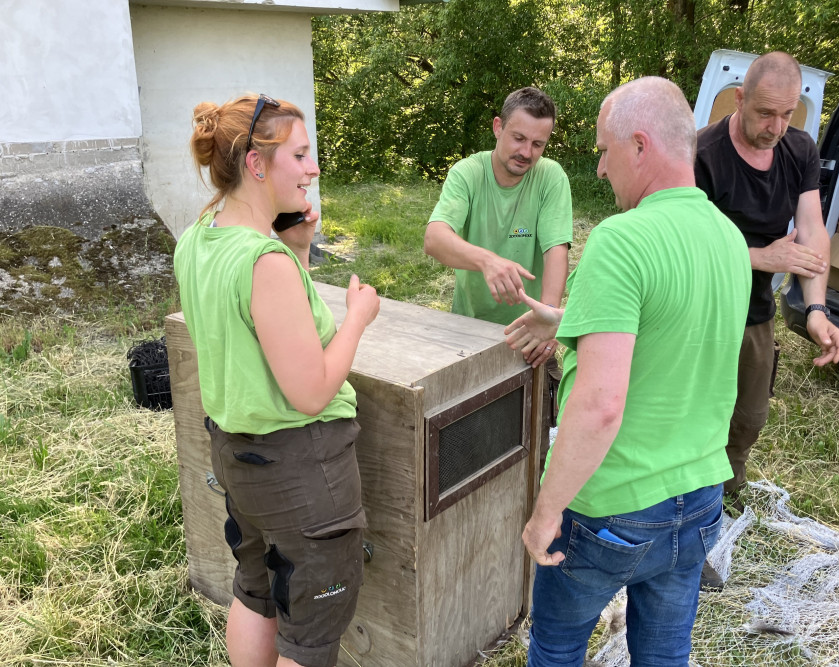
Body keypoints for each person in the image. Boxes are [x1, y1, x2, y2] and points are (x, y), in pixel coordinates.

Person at [510, 76, 751, 666]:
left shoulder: (621, 240)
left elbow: (599, 406)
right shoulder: (729, 238)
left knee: (557, 646)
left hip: (612, 508)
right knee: (664, 652)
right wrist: (571, 320)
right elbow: (674, 330)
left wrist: (545, 512)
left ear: (640, 145)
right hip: (699, 497)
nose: (599, 168)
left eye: (603, 150)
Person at [174, 93, 380, 667]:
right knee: (308, 636)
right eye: (300, 155)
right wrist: (357, 318)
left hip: (237, 457)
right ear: (256, 164)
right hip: (301, 470)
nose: (312, 169)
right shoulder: (265, 263)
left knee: (256, 590)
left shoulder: (197, 239)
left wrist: (299, 252)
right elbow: (310, 392)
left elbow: (260, 335)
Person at [694, 51, 839, 510]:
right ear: (739, 99)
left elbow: (812, 230)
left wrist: (816, 309)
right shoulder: (702, 153)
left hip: (754, 310)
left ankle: (724, 498)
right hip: (700, 308)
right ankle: (687, 505)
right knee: (696, 413)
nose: (776, 127)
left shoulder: (800, 149)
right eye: (765, 113)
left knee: (749, 417)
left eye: (787, 114)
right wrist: (761, 257)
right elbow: (685, 246)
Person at [423, 87, 573, 425]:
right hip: (468, 331)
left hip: (529, 337)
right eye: (518, 138)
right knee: (465, 435)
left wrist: (548, 317)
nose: (526, 152)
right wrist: (487, 261)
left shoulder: (550, 177)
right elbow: (434, 239)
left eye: (538, 144)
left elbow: (556, 251)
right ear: (498, 127)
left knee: (535, 439)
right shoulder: (468, 173)